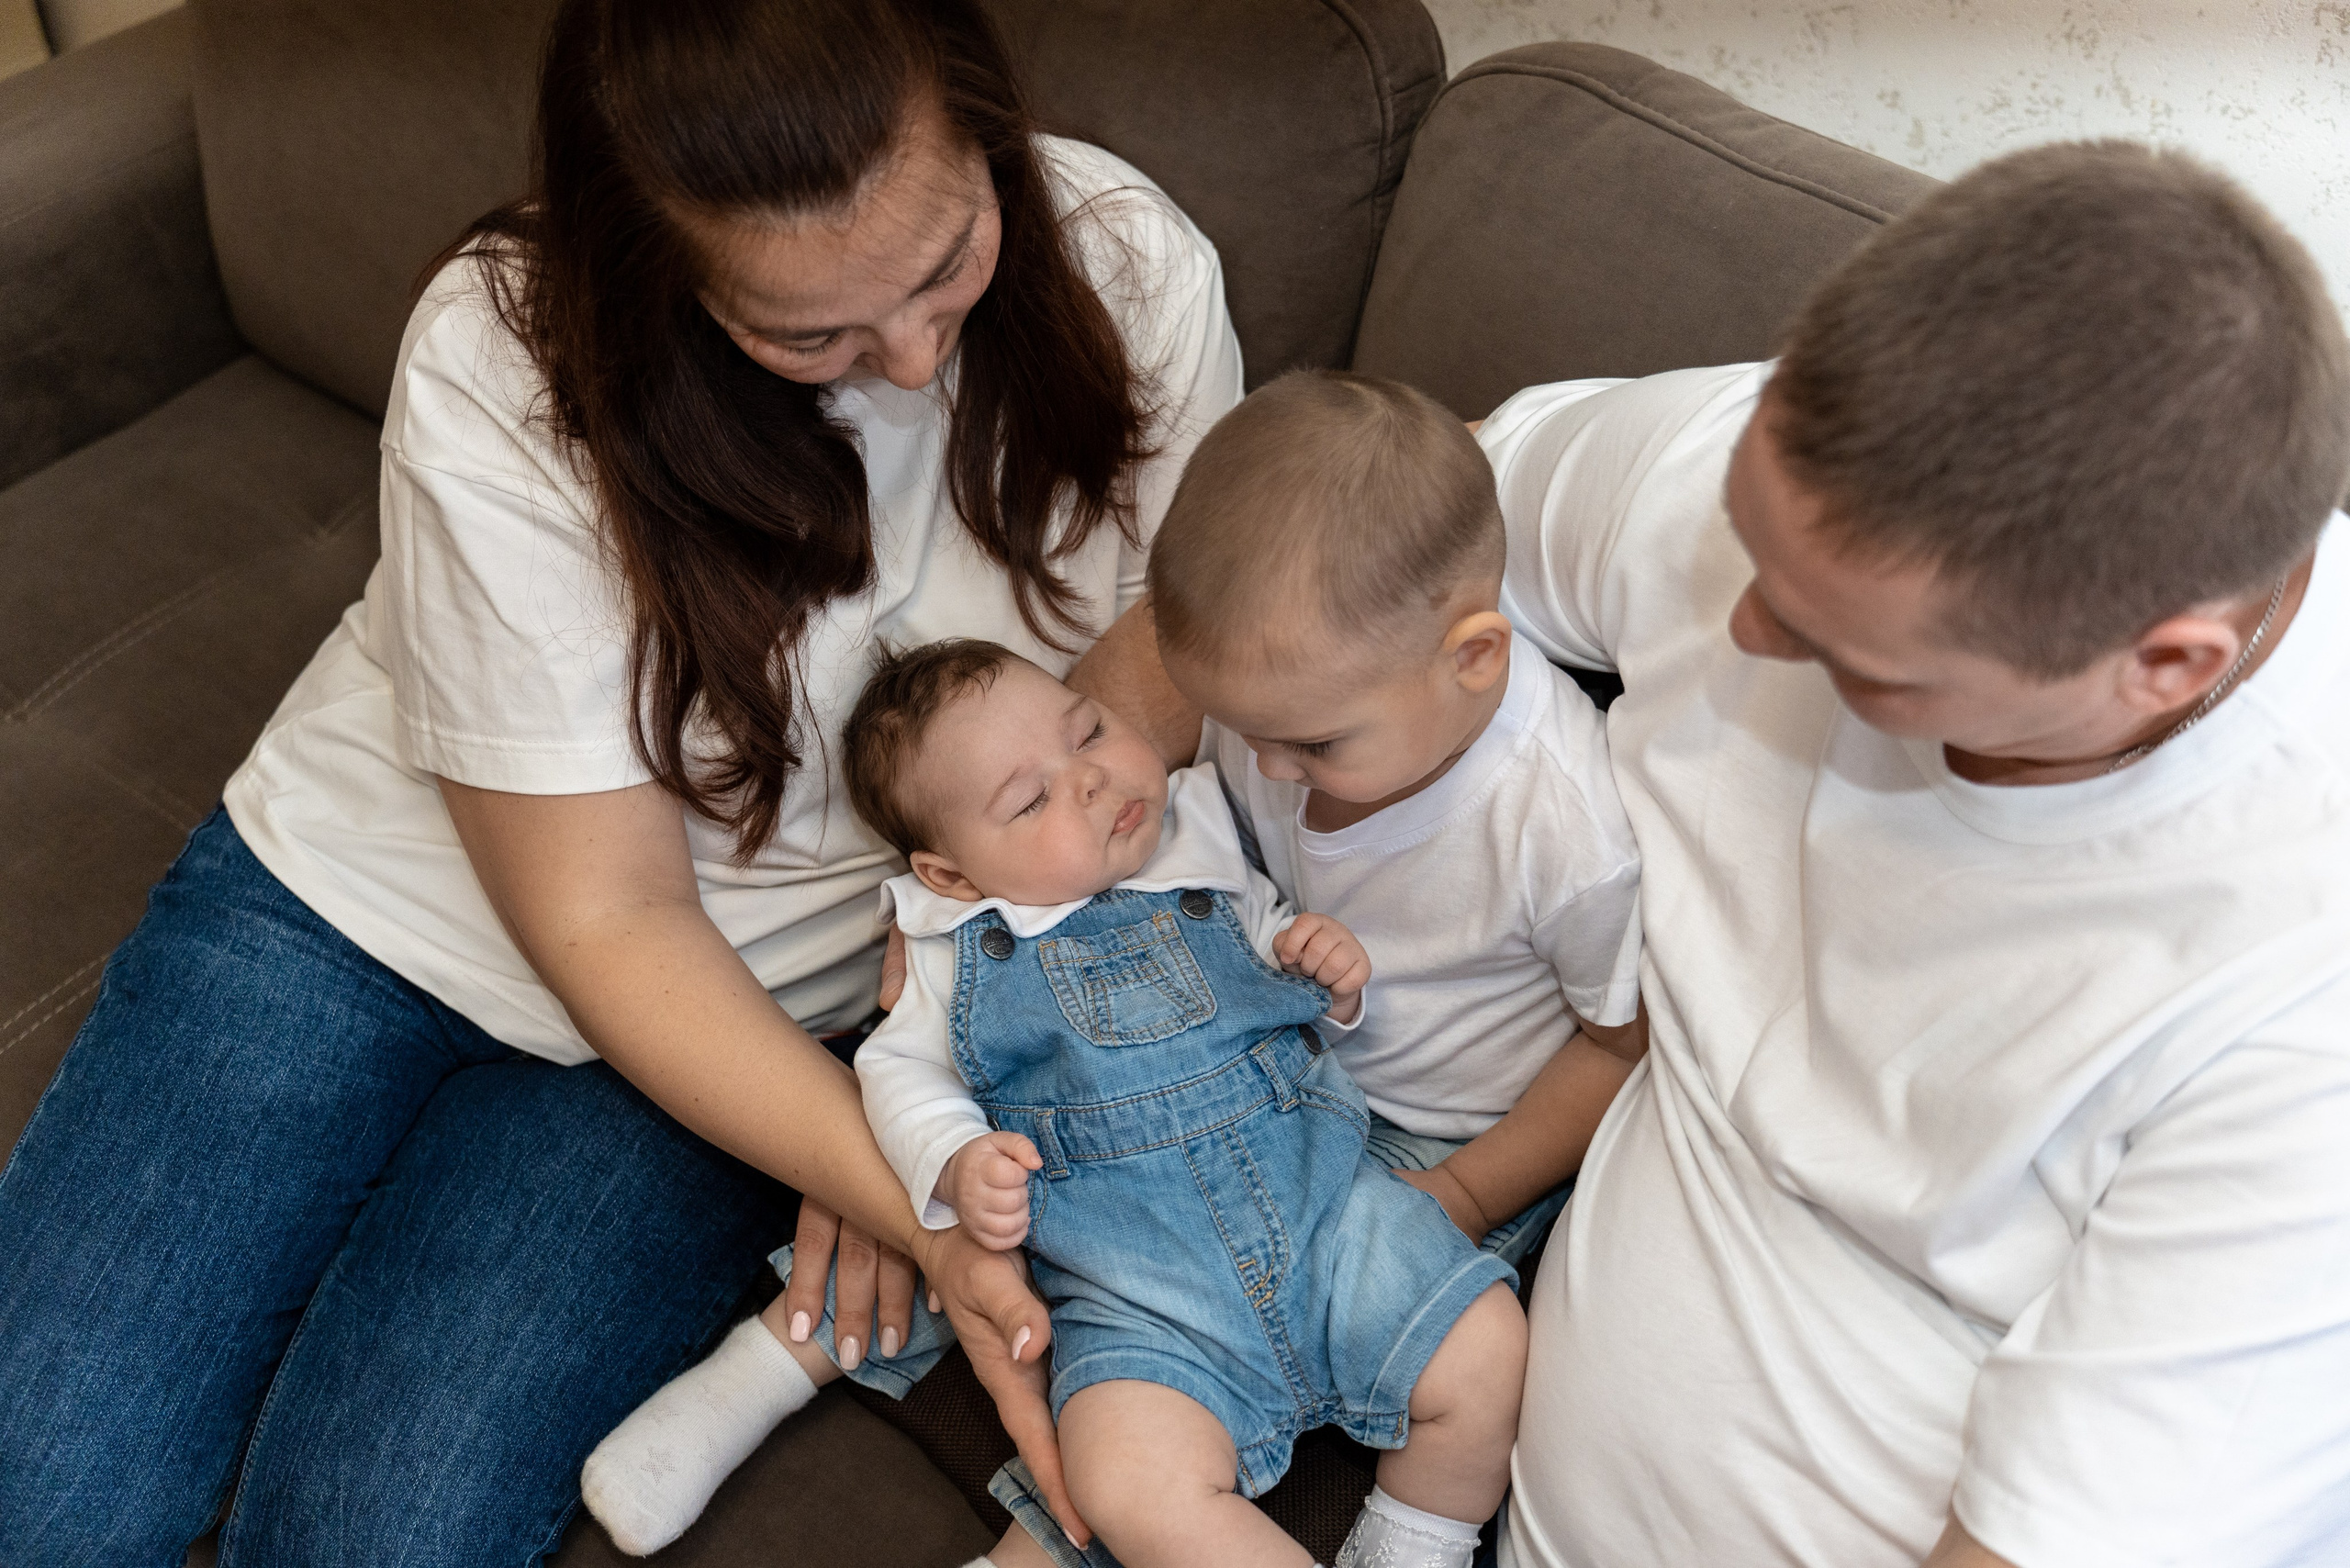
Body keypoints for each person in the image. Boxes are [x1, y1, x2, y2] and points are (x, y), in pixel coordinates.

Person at [0, 0, 1240, 1559]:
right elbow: (608, 915)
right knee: (39, 1484)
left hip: (722, 1018)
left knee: (369, 1534)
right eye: (812, 332)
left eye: (948, 262)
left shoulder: (1134, 271)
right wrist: (898, 1165)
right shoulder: (504, 356)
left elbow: (1127, 725)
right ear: (653, 269)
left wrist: (912, 1063)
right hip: (366, 911)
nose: (918, 357)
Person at [1480, 141, 2350, 1566]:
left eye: (1849, 658)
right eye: (1748, 544)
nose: (1748, 626)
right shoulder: (1795, 488)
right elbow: (1340, 543)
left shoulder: (2307, 1005)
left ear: (2164, 666)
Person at [1151, 369, 1647, 1255]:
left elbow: (1617, 1048)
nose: (1266, 765)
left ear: (1475, 660)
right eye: (1241, 728)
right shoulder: (1287, 712)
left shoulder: (1563, 826)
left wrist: (1466, 1189)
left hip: (1453, 1142)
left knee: (1352, 1315)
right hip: (1285, 1065)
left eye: (1315, 747)